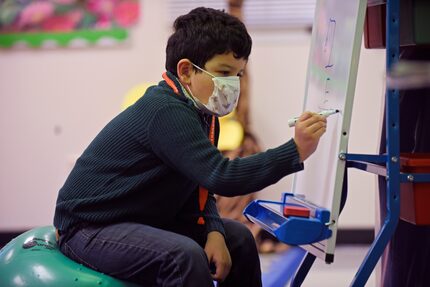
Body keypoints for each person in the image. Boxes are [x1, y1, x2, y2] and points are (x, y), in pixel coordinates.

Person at [53, 7, 327, 287]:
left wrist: (215, 231)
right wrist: (294, 151)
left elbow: (201, 185)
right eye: (224, 72)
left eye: (238, 75)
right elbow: (221, 176)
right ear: (185, 71)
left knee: (239, 239)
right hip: (88, 227)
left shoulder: (203, 114)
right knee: (183, 257)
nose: (232, 85)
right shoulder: (165, 110)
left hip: (139, 220)